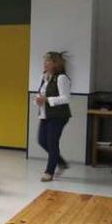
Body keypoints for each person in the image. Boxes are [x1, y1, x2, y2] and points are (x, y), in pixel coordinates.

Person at [36, 51, 72, 182]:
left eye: (48, 61)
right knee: (42, 140)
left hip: (59, 115)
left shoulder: (61, 78)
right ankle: (61, 162)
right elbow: (41, 94)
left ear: (55, 63)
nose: (45, 64)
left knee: (52, 142)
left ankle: (49, 172)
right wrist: (39, 99)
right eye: (44, 61)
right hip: (45, 114)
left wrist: (47, 100)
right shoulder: (45, 77)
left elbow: (65, 98)